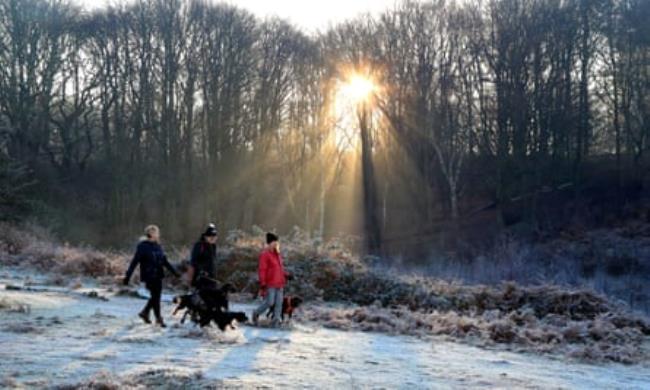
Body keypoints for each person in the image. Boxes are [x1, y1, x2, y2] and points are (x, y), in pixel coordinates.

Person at [123, 225, 180, 327]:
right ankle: (158, 319)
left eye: (157, 232)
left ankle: (145, 313)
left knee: (155, 296)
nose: (158, 234)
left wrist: (175, 272)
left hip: (158, 274)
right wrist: (128, 276)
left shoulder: (158, 246)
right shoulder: (143, 246)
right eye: (155, 232)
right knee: (156, 297)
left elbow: (164, 261)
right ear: (150, 234)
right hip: (148, 275)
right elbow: (135, 261)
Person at [252, 232, 288, 327]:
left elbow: (279, 269)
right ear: (269, 243)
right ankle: (256, 313)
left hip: (280, 283)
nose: (276, 244)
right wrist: (263, 282)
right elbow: (262, 270)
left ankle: (275, 322)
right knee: (270, 302)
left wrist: (286, 275)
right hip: (270, 283)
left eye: (276, 242)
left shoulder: (277, 255)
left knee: (279, 303)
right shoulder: (265, 255)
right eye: (273, 242)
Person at [187, 223, 219, 290]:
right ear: (205, 236)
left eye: (214, 237)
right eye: (210, 236)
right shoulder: (199, 245)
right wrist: (201, 270)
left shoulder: (214, 246)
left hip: (212, 279)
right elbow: (193, 262)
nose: (212, 238)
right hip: (201, 278)